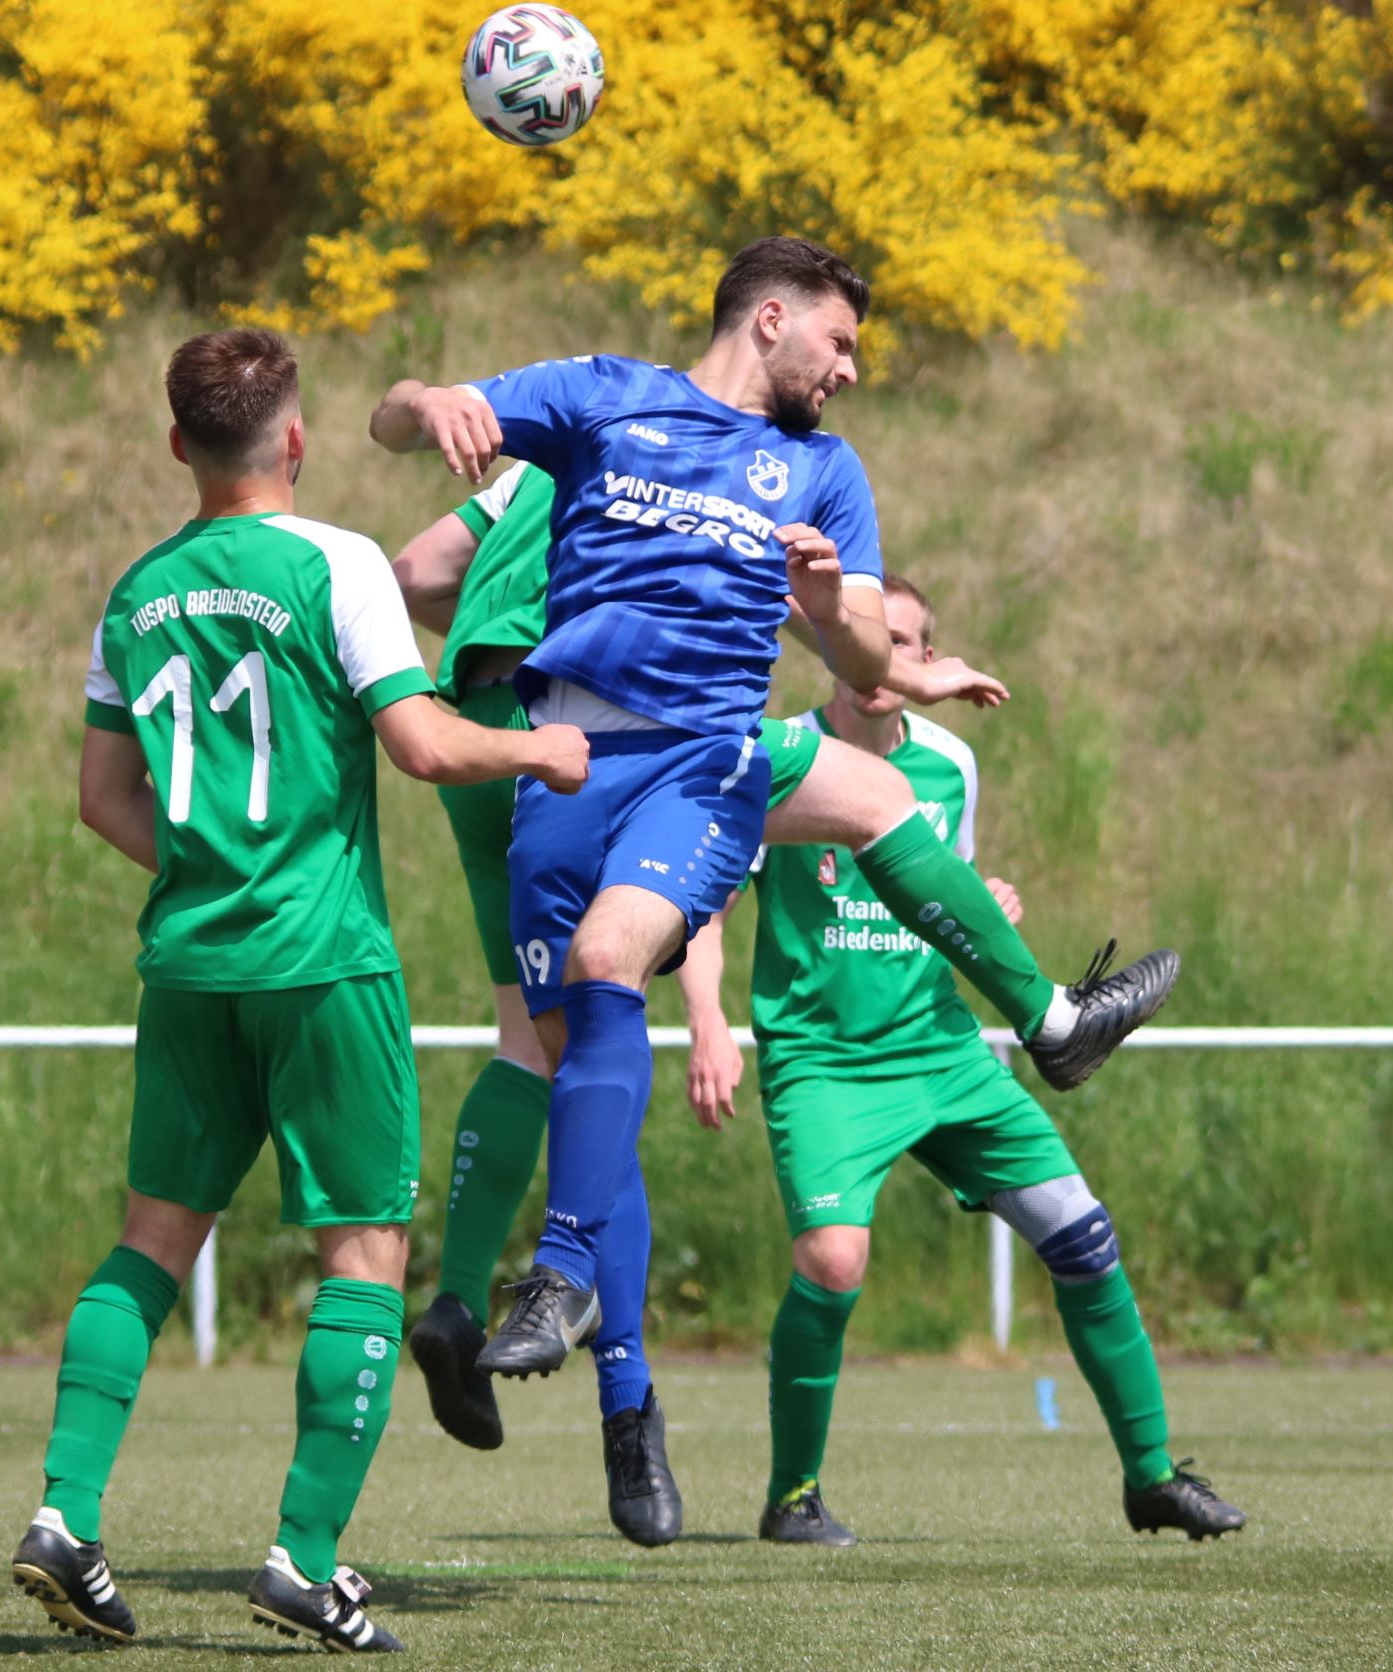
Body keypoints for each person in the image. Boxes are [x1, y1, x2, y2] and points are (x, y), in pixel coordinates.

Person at [371, 237, 1177, 1404]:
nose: (849, 368)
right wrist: (428, 400)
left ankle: (560, 1274)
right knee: (566, 1037)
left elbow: (862, 654)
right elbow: (393, 429)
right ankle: (582, 1316)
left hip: (703, 757)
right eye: (838, 342)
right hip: (562, 761)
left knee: (616, 950)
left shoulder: (824, 471)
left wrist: (830, 606)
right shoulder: (607, 398)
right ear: (769, 319)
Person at [10, 329, 587, 1654]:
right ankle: (304, 1563)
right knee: (365, 1258)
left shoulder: (135, 588)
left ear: (178, 445)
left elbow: (103, 798)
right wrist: (541, 749)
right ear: (297, 438)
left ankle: (63, 1515)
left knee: (150, 1245)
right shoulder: (334, 563)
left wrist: (209, 866)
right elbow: (423, 743)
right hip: (323, 965)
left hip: (188, 966)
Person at [391, 460, 1033, 1548]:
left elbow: (414, 574)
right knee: (875, 796)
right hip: (601, 743)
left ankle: (457, 1299)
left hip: (484, 729)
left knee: (543, 1052)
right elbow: (775, 609)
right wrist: (906, 677)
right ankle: (627, 1409)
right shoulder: (684, 457)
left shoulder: (535, 461)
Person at [679, 579, 1246, 1545]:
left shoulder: (950, 766)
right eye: (867, 637)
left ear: (927, 662)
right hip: (825, 1062)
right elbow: (705, 909)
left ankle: (1152, 1475)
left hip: (943, 1052)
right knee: (833, 1261)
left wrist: (985, 902)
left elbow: (937, 889)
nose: (881, 660)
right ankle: (792, 1496)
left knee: (1083, 1236)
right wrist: (707, 1021)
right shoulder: (779, 757)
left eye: (903, 642)